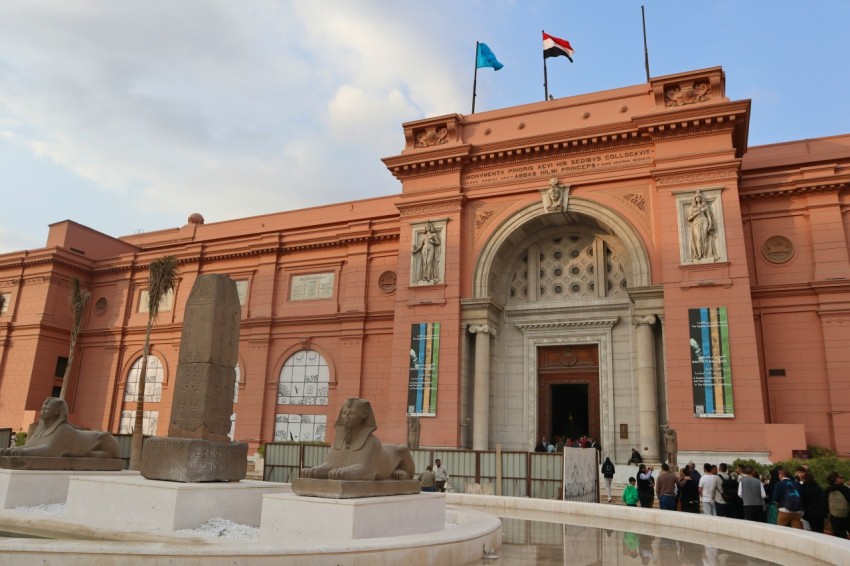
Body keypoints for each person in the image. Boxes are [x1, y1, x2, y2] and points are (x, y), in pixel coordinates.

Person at [686, 190, 717, 260]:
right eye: (697, 198)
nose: (698, 199)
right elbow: (689, 218)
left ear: (701, 198)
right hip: (696, 222)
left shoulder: (705, 206)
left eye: (699, 197)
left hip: (704, 221)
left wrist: (710, 224)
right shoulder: (692, 208)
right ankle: (699, 254)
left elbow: (708, 216)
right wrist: (697, 213)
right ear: (695, 199)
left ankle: (705, 255)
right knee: (699, 238)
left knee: (705, 238)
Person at [797, 468, 825, 533]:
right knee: (820, 531)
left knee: (809, 531)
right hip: (820, 513)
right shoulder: (819, 488)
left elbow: (804, 501)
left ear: (804, 479)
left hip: (810, 513)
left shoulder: (804, 488)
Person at [824, 471, 850, 539]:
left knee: (840, 539)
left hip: (834, 519)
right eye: (841, 477)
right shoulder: (845, 490)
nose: (843, 478)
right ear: (836, 479)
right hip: (847, 517)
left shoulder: (827, 491)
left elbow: (825, 506)